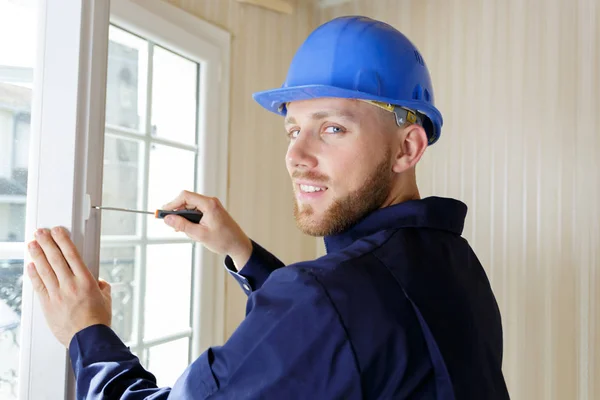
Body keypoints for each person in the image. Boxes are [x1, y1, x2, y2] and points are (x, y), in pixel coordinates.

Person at [26, 16, 509, 399]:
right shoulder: (454, 263)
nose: (296, 158)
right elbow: (344, 335)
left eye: (332, 128)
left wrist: (86, 332)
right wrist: (239, 250)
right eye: (293, 130)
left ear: (407, 148)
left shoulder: (331, 298)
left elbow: (330, 316)